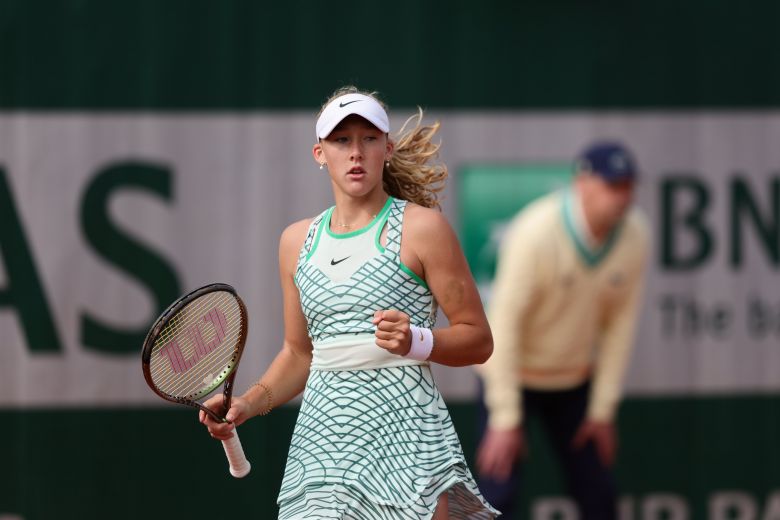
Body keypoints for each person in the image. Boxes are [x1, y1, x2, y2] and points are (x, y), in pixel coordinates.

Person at [200, 85, 500, 519]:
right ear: (319, 153)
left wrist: (416, 340)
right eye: (341, 141)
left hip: (409, 444)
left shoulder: (424, 229)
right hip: (323, 447)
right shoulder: (295, 242)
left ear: (387, 149)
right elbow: (300, 354)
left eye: (369, 139)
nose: (355, 153)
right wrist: (245, 404)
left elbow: (479, 340)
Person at [475, 141, 650, 519]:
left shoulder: (637, 235)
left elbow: (620, 326)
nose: (623, 197)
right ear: (582, 184)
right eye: (612, 186)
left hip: (574, 382)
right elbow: (503, 327)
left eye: (628, 186)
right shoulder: (534, 233)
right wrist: (506, 417)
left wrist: (602, 411)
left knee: (599, 496)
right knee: (496, 497)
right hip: (511, 379)